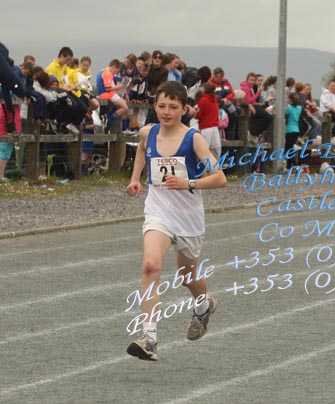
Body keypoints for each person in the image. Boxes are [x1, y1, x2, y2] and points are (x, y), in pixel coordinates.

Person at [125, 81, 227, 361]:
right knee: (150, 265)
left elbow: (220, 178)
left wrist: (188, 183)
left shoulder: (194, 139)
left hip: (188, 216)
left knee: (187, 277)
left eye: (173, 107)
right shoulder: (148, 132)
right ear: (154, 106)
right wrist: (135, 179)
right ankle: (150, 338)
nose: (166, 112)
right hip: (158, 211)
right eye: (161, 106)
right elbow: (141, 150)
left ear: (185, 109)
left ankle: (203, 306)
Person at [195, 82, 221, 159]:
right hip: (214, 127)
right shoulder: (214, 100)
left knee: (204, 149)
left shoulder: (203, 100)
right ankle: (213, 167)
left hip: (206, 127)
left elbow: (199, 115)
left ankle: (203, 167)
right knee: (214, 149)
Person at [284, 92, 303, 169]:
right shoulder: (299, 108)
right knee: (291, 148)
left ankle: (295, 164)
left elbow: (285, 116)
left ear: (291, 100)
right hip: (296, 129)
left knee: (287, 149)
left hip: (289, 129)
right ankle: (288, 166)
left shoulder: (289, 108)